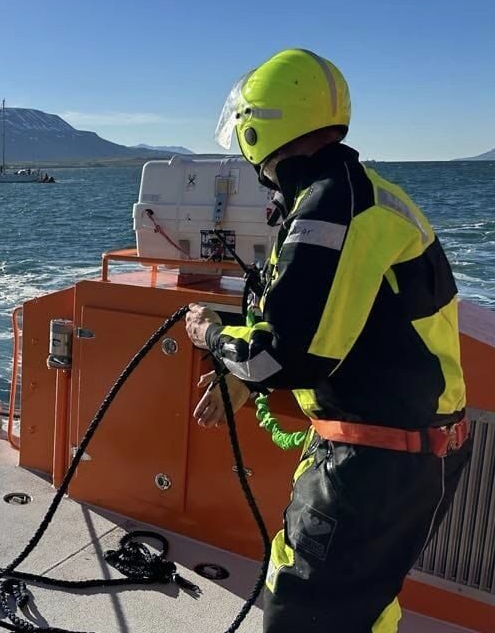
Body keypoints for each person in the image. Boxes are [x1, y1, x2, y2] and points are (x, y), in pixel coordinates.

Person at [184, 49, 471, 632]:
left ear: (256, 128)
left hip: (375, 465)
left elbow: (276, 356)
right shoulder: (358, 192)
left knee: (303, 611)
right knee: (364, 605)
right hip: (405, 451)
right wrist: (247, 377)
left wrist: (210, 335)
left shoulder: (329, 207)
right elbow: (339, 326)